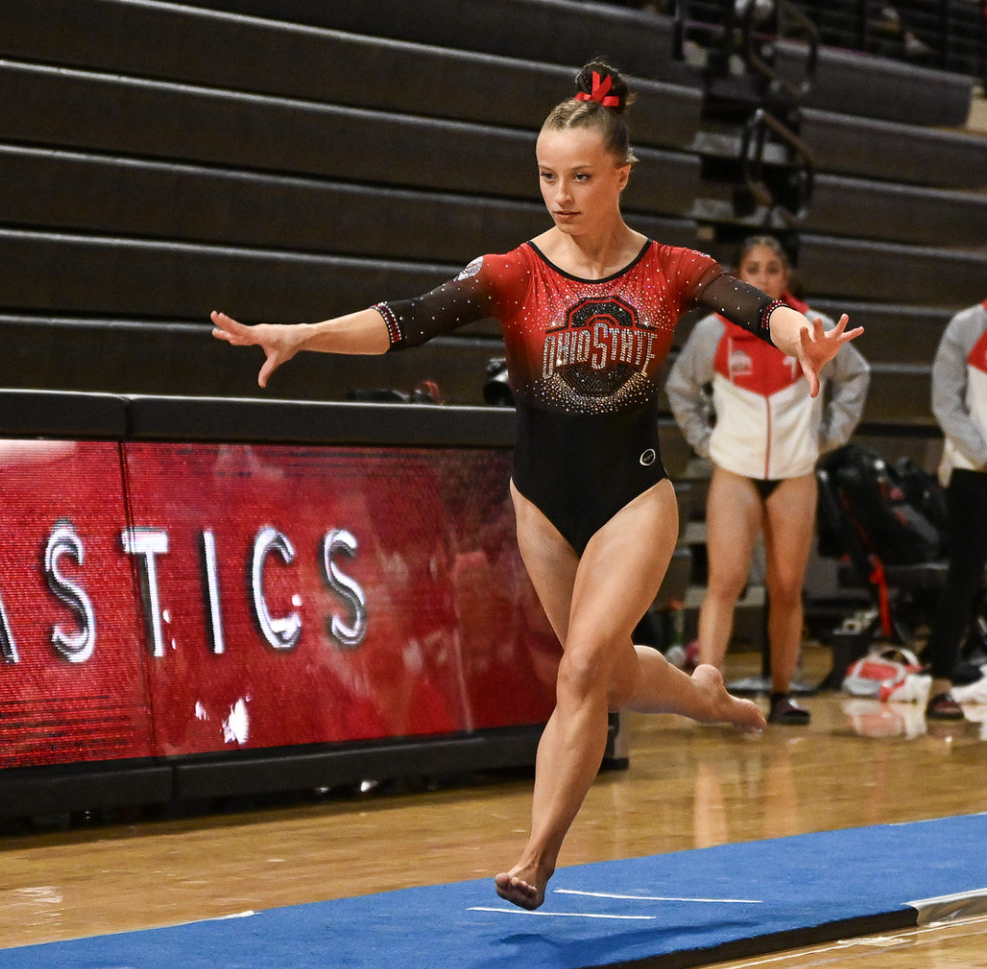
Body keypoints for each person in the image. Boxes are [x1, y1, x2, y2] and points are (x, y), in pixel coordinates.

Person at [210, 61, 862, 910]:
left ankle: (537, 856)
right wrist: (304, 334)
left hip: (633, 499)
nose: (561, 193)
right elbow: (404, 320)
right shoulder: (513, 272)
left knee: (585, 667)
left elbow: (751, 305)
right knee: (611, 676)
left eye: (581, 176)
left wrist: (799, 336)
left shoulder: (669, 269)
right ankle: (706, 698)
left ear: (621, 176)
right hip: (543, 506)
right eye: (548, 175)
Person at [666, 236, 872, 724]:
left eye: (772, 268)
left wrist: (828, 437)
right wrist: (706, 443)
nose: (762, 277)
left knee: (786, 586)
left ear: (788, 277)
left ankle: (783, 693)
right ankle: (707, 696)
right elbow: (680, 388)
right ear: (739, 275)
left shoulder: (814, 328)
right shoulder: (713, 332)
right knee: (725, 582)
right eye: (752, 268)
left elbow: (857, 375)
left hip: (795, 475)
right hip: (735, 473)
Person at [920, 297, 987, 712]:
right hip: (972, 471)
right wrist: (983, 453)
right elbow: (945, 401)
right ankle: (939, 684)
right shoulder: (968, 325)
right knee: (964, 578)